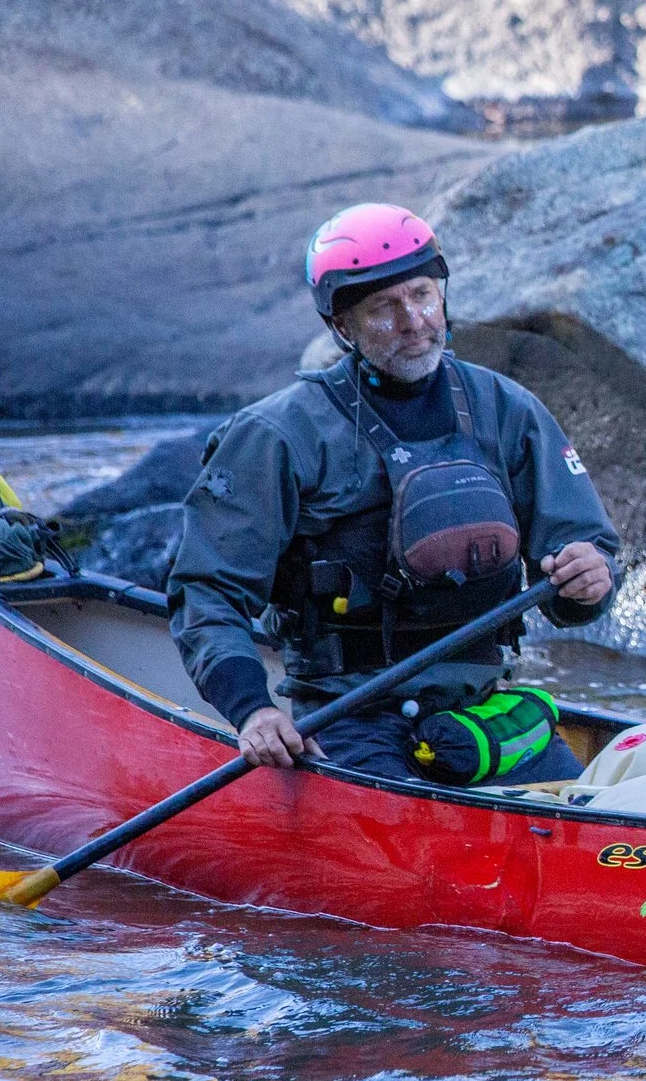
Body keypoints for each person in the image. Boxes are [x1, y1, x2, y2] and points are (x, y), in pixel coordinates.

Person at [170, 203, 621, 784]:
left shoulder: (508, 410)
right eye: (384, 307)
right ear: (341, 327)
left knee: (583, 814)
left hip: (482, 715)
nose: (413, 321)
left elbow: (586, 555)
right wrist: (252, 711)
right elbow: (206, 592)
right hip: (347, 722)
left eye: (423, 295)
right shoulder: (279, 435)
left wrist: (592, 577)